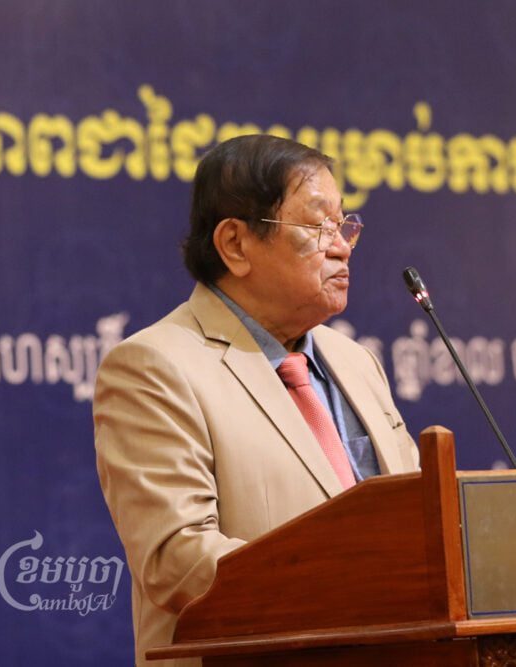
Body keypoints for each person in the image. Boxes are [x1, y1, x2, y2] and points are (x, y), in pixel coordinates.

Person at [93, 135, 418, 667]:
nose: (340, 246)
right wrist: (358, 590)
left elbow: (412, 516)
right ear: (235, 245)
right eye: (317, 227)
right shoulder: (154, 366)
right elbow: (179, 559)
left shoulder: (355, 361)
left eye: (344, 226)